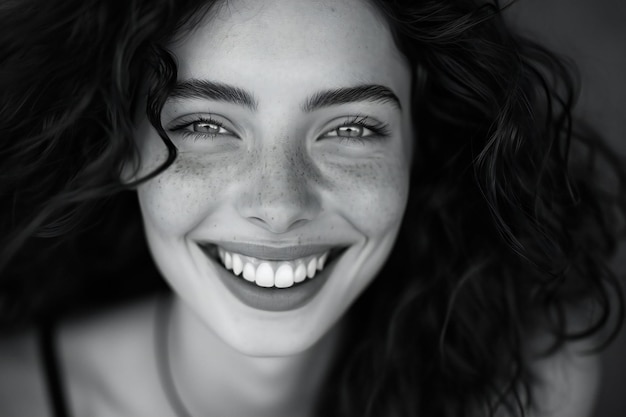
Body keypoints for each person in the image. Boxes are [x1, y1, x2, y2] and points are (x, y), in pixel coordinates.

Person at [0, 0, 623, 416]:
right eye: (207, 124)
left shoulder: (532, 386)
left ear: (417, 146)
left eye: (350, 129)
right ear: (122, 149)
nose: (279, 205)